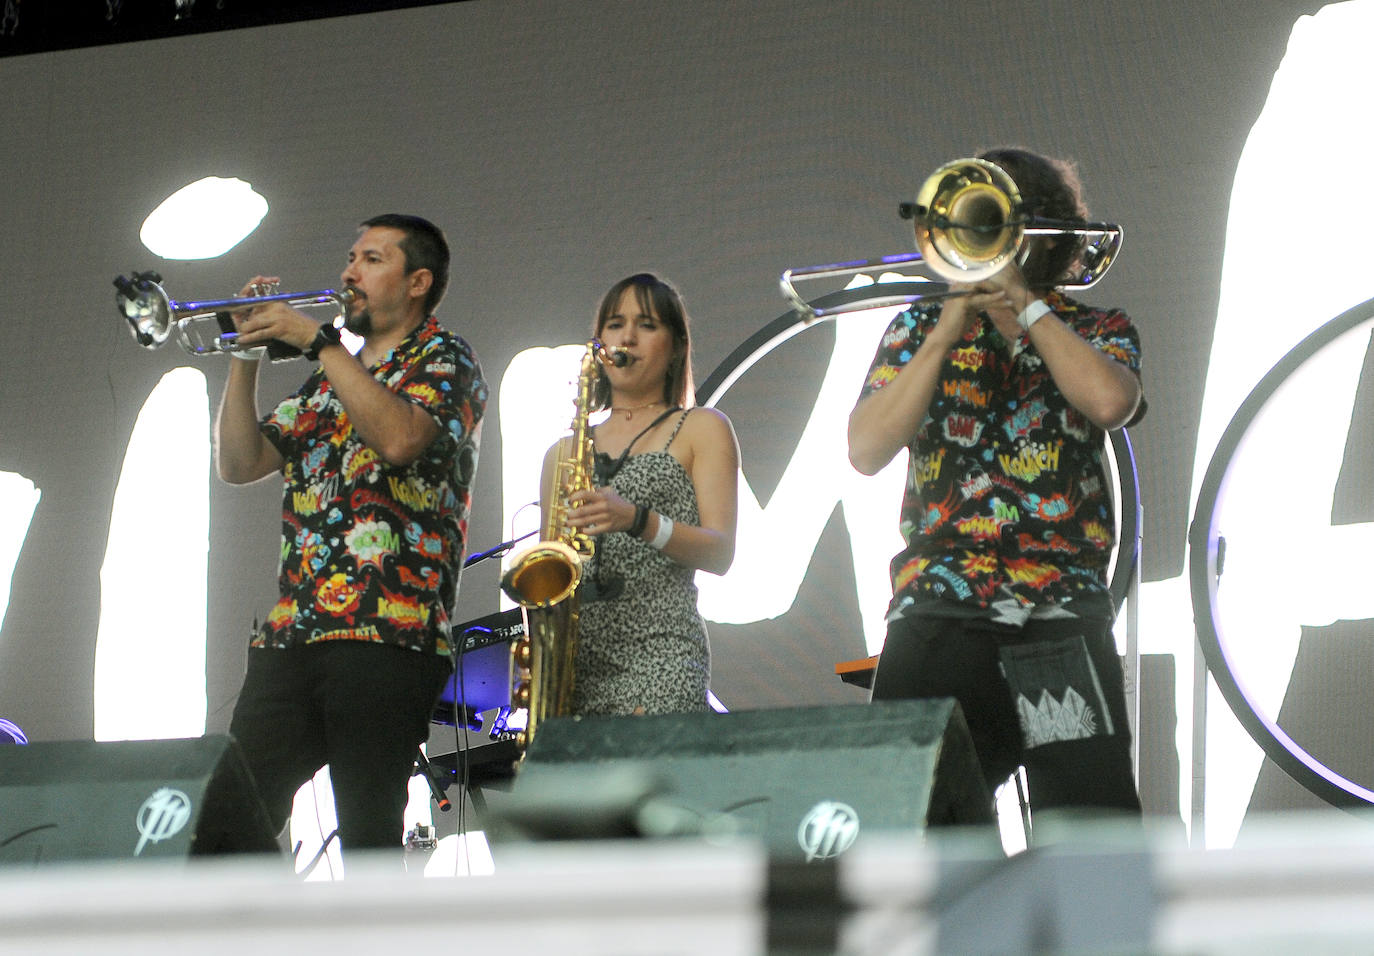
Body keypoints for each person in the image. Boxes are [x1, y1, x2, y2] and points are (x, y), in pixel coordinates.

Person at [847, 149, 1145, 826]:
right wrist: (945, 331)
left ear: (1047, 233)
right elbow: (865, 450)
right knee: (912, 823)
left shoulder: (1098, 328)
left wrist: (1028, 307)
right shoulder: (917, 328)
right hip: (938, 609)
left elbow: (1109, 402)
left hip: (1057, 613)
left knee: (1086, 828)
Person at [207, 214, 487, 856]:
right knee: (224, 822)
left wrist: (319, 342)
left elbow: (399, 439)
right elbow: (239, 464)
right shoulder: (329, 379)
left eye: (371, 259)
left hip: (387, 636)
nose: (349, 272)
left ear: (417, 282)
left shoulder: (446, 358)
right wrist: (244, 358)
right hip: (293, 634)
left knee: (368, 838)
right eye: (351, 257)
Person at [538, 273, 740, 716]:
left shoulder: (702, 427)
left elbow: (720, 552)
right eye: (615, 324)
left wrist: (638, 519)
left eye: (646, 325)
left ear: (677, 347)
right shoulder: (562, 453)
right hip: (576, 670)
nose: (626, 337)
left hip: (661, 657)